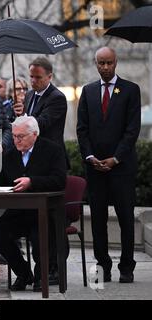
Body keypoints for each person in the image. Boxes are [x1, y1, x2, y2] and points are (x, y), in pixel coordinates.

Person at [77, 46, 141, 283]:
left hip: (121, 168)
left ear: (116, 62)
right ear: (96, 64)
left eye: (109, 63)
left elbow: (131, 130)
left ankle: (127, 267)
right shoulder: (88, 91)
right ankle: (103, 264)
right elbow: (82, 130)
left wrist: (116, 158)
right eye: (101, 63)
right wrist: (90, 156)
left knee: (125, 218)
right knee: (98, 220)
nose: (105, 67)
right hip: (95, 170)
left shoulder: (131, 90)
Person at [0, 116, 67, 291]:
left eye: (20, 136)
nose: (16, 140)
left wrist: (32, 181)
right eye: (14, 136)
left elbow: (59, 180)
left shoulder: (52, 150)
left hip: (45, 211)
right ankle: (24, 273)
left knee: (39, 237)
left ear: (34, 134)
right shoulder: (10, 154)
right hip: (19, 211)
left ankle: (41, 276)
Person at [14, 57, 69, 282]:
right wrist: (18, 113)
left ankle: (55, 266)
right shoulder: (28, 96)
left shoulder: (57, 98)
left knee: (53, 220)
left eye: (38, 77)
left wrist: (24, 118)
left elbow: (42, 124)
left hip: (51, 161)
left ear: (49, 76)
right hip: (33, 161)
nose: (33, 81)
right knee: (36, 221)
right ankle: (41, 266)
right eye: (31, 77)